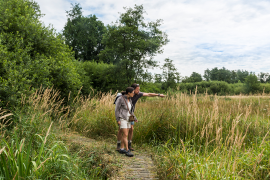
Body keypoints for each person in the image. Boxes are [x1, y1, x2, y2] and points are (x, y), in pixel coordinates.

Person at [116, 83, 165, 151]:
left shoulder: (138, 94)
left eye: (139, 90)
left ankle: (129, 144)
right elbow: (117, 108)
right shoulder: (126, 96)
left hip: (131, 114)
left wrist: (159, 95)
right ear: (133, 90)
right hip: (123, 114)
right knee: (121, 130)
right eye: (137, 90)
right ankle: (119, 145)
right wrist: (118, 118)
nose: (138, 91)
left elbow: (148, 94)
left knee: (131, 129)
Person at [115, 87, 137, 157]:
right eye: (133, 92)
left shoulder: (130, 99)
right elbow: (116, 110)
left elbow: (130, 111)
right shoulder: (120, 99)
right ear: (129, 93)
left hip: (128, 119)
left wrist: (135, 118)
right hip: (122, 118)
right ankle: (127, 150)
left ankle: (121, 148)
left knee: (125, 135)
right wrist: (118, 119)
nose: (134, 93)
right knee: (125, 134)